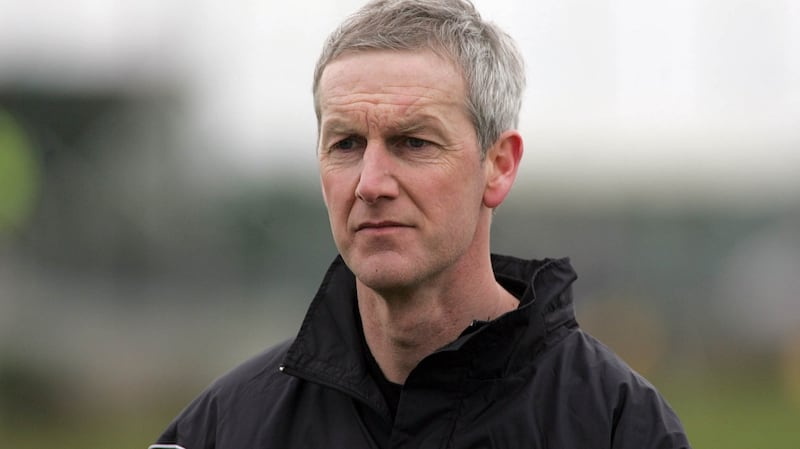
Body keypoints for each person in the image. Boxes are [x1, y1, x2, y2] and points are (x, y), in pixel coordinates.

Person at [151, 0, 691, 447]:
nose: (371, 182)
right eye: (346, 144)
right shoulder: (226, 428)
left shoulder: (618, 427)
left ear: (498, 166)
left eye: (413, 142)